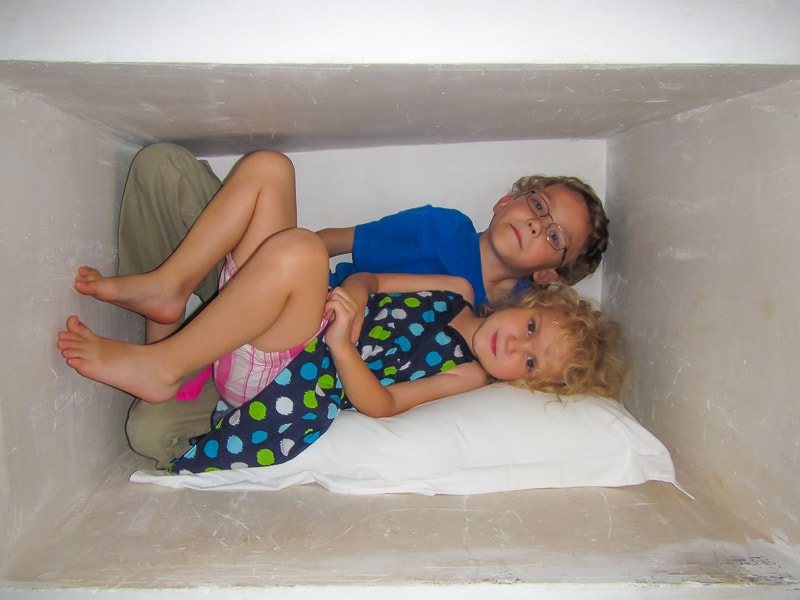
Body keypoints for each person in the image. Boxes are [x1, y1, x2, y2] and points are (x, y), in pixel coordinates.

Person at [57, 151, 626, 472]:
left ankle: (167, 365)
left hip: (292, 348)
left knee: (299, 251)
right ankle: (169, 290)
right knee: (268, 168)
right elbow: (359, 265)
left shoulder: (482, 362)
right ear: (510, 199)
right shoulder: (452, 272)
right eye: (539, 208)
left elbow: (382, 401)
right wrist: (351, 288)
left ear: (548, 277)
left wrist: (341, 339)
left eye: (554, 237)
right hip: (291, 298)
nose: (534, 225)